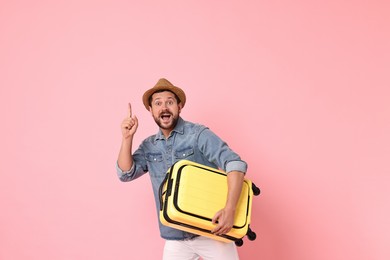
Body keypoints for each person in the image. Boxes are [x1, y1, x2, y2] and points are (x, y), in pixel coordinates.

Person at [116, 78, 247, 260]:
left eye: (170, 102)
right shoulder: (149, 146)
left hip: (210, 231)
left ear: (179, 106)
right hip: (175, 237)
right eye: (158, 103)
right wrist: (127, 138)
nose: (164, 108)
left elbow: (235, 164)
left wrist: (230, 209)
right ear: (151, 110)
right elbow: (126, 173)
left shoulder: (198, 134)